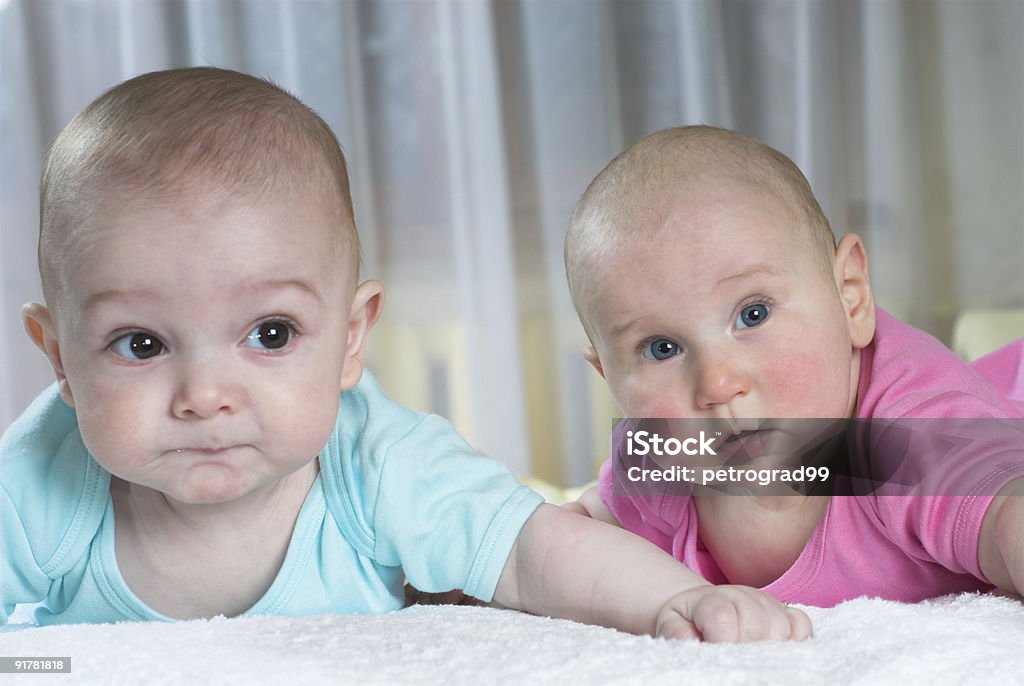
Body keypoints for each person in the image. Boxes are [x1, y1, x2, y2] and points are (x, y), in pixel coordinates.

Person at [0, 69, 810, 642]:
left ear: (352, 338)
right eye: (140, 344)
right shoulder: (39, 484)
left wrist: (681, 603)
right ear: (62, 359)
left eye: (270, 334)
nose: (205, 395)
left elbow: (532, 552)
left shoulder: (378, 464)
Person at [564, 125, 1024, 606]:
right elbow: (583, 531)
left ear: (850, 296)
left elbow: (1003, 511)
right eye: (661, 348)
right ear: (608, 377)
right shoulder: (658, 455)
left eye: (752, 315)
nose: (718, 384)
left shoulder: (912, 435)